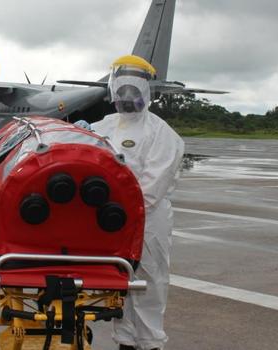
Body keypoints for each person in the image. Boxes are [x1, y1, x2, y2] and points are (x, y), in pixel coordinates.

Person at [91, 55, 185, 350]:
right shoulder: (103, 126)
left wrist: (120, 210)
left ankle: (149, 342)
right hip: (110, 219)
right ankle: (125, 339)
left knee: (148, 281)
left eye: (133, 91)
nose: (126, 99)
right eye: (121, 91)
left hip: (147, 221)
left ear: (146, 92)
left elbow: (152, 187)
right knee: (120, 280)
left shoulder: (162, 134)